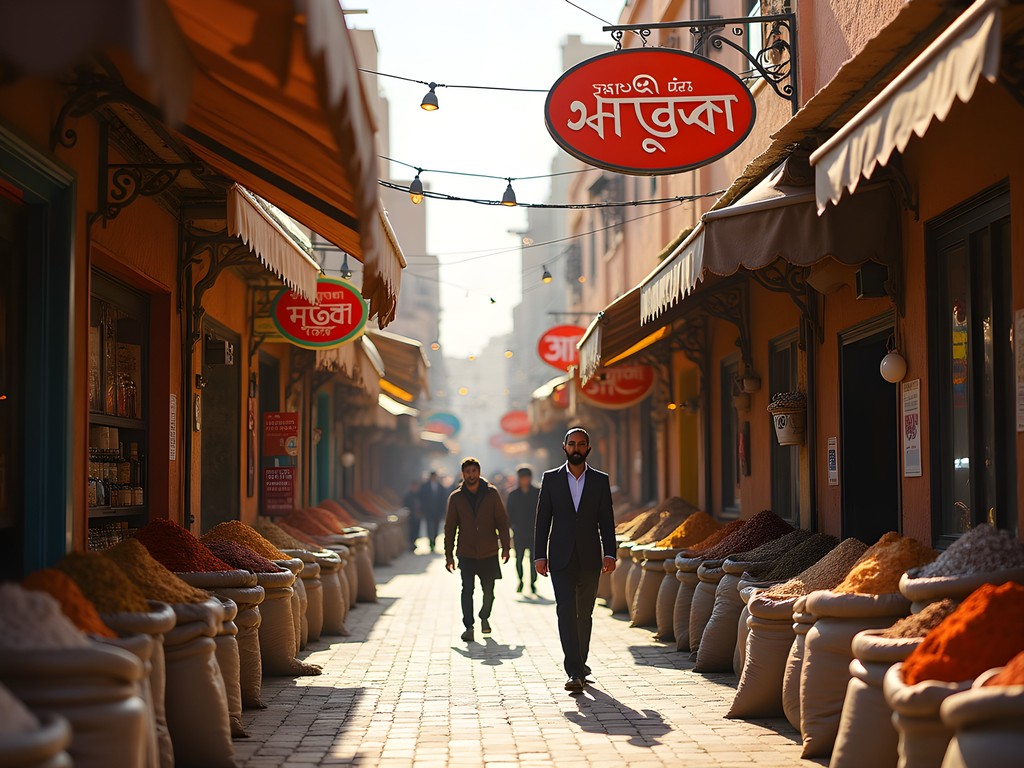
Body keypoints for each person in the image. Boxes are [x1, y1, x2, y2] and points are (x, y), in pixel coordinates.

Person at [534, 427, 616, 692]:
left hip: (590, 556)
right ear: (564, 447)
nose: (577, 448)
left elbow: (606, 520)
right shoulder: (550, 479)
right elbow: (542, 520)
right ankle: (574, 671)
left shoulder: (600, 480)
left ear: (588, 448)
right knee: (566, 611)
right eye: (572, 444)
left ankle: (580, 663)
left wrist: (610, 552)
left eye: (581, 444)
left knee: (585, 615)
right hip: (560, 557)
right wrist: (539, 555)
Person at [444, 457, 511, 642]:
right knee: (467, 590)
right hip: (466, 553)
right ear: (462, 474)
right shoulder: (456, 497)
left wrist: (505, 546)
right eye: (467, 472)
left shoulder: (492, 494)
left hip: (489, 551)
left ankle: (484, 616)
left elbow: (502, 521)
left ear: (479, 473)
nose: (471, 475)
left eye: (474, 471)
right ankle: (469, 626)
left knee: (489, 591)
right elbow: (450, 528)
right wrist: (448, 555)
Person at [506, 465, 540, 594]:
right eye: (522, 477)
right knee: (519, 559)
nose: (524, 480)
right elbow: (509, 513)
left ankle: (532, 583)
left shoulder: (537, 493)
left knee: (534, 560)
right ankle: (520, 580)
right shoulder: (513, 494)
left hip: (534, 532)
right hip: (519, 532)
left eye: (526, 477)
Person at [419, 470, 447, 552]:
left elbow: (443, 500)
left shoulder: (441, 487)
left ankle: (434, 542)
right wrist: (422, 510)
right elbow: (422, 499)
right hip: (428, 511)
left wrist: (443, 511)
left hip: (438, 511)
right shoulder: (424, 487)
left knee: (436, 528)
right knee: (429, 527)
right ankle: (430, 543)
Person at [402, 480, 422, 552]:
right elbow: (405, 506)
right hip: (411, 516)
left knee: (416, 530)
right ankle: (411, 544)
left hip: (418, 516)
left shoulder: (419, 495)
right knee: (411, 530)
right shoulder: (407, 496)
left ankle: (414, 542)